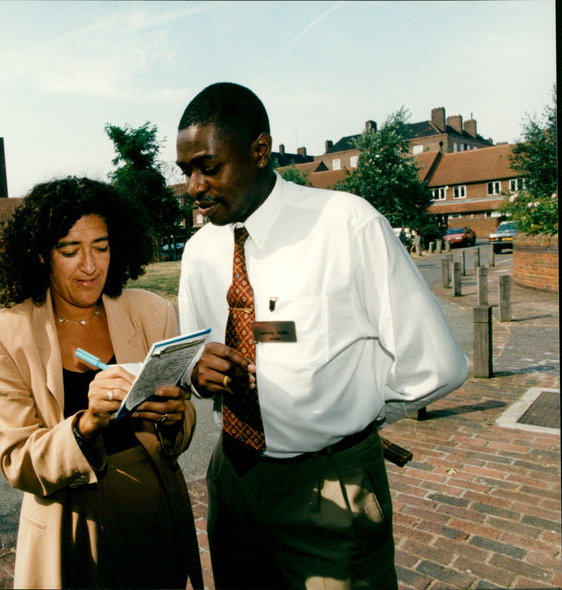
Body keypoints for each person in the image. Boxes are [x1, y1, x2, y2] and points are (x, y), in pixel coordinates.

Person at [175, 82, 469, 589]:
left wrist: (351, 418)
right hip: (234, 479)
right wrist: (200, 375)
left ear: (259, 151)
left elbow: (437, 365)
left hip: (332, 485)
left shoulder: (345, 226)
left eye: (208, 167)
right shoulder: (200, 251)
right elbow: (198, 358)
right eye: (186, 172)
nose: (194, 187)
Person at [0, 177, 203, 589]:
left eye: (101, 246)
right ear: (40, 254)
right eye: (69, 250)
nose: (91, 265)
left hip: (155, 516)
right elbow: (18, 462)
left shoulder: (153, 313)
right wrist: (86, 424)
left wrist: (173, 416)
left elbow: (180, 431)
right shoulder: (1, 336)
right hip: (69, 527)